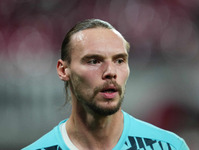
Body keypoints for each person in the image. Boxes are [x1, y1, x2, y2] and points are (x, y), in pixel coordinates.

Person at [23, 19, 189, 150]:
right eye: (94, 61)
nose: (111, 71)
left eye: (119, 60)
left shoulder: (168, 146)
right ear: (63, 70)